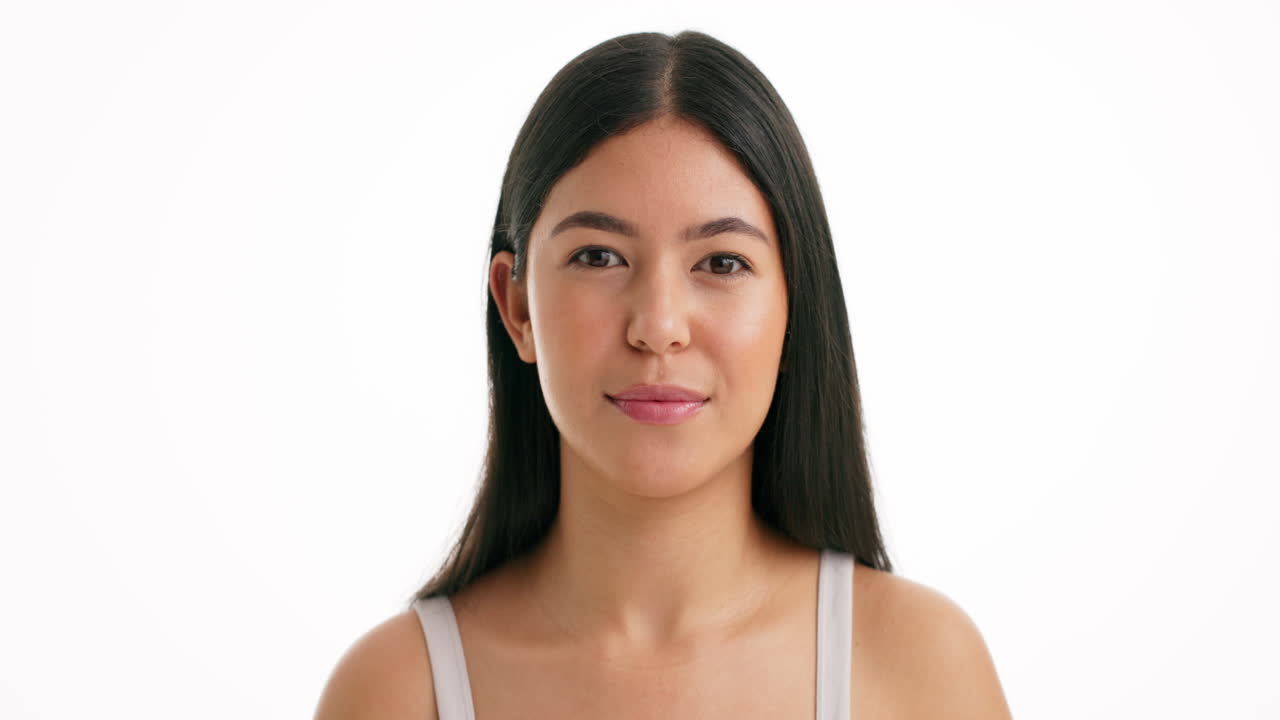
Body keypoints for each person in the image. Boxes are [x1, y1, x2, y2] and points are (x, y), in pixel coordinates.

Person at [314, 30, 1011, 719]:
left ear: (796, 308)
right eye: (598, 257)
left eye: (722, 263)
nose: (658, 326)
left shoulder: (921, 668)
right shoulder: (398, 693)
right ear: (517, 306)